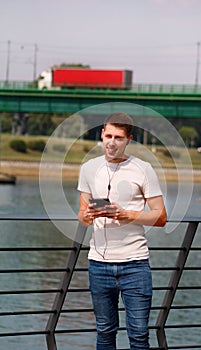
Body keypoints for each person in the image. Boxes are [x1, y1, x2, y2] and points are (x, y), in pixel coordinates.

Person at [78, 112, 167, 350]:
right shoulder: (88, 168)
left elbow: (161, 216)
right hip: (98, 265)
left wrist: (126, 214)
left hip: (135, 265)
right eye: (108, 135)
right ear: (102, 135)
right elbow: (82, 214)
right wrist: (86, 216)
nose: (112, 142)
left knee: (138, 335)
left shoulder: (143, 169)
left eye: (118, 137)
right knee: (105, 332)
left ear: (129, 139)